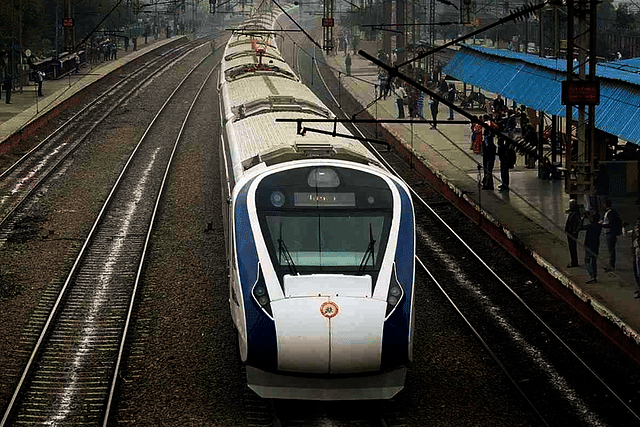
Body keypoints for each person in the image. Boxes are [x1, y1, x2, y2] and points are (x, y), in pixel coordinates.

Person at [579, 210, 602, 283]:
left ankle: (591, 275)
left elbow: (580, 227)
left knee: (587, 261)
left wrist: (582, 218)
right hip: (596, 245)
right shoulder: (599, 226)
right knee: (594, 261)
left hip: (589, 245)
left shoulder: (590, 226)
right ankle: (594, 276)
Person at [600, 199, 622, 271]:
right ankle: (611, 264)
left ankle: (611, 265)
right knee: (611, 250)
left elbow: (611, 224)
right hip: (609, 232)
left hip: (610, 233)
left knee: (611, 250)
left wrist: (602, 225)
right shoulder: (610, 212)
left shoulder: (610, 213)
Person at [481, 115, 497, 190]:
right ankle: (489, 184)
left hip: (487, 158)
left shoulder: (487, 144)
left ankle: (488, 185)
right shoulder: (492, 145)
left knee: (488, 172)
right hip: (490, 158)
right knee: (489, 172)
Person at [565, 199, 581, 268]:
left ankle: (574, 262)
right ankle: (573, 261)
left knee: (573, 248)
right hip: (570, 233)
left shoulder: (576, 214)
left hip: (572, 234)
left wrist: (574, 232)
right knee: (571, 248)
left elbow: (577, 225)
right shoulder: (573, 212)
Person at [631, 218, 640, 298]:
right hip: (635, 254)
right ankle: (638, 288)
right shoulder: (634, 232)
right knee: (636, 273)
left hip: (639, 254)